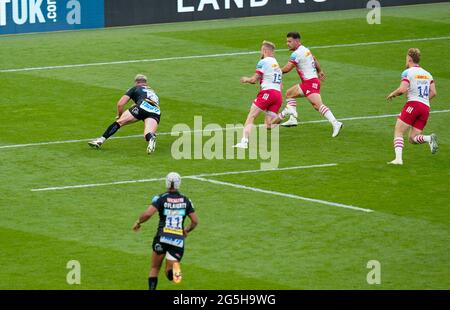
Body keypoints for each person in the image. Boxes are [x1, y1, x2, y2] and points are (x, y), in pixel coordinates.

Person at [132, 172, 198, 290]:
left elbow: (147, 214)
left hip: (162, 237)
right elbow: (195, 221)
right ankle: (175, 271)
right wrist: (186, 230)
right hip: (177, 240)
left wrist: (138, 222)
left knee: (154, 268)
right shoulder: (186, 200)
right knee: (170, 274)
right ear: (179, 184)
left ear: (167, 183)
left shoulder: (160, 198)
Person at [276, 32, 343, 137]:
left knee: (318, 105)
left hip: (310, 83)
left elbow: (287, 69)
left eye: (289, 41)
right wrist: (320, 70)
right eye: (287, 41)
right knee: (289, 93)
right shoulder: (305, 49)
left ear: (297, 41)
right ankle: (293, 119)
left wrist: (274, 71)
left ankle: (336, 123)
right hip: (308, 82)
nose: (287, 43)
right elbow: (314, 58)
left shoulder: (296, 54)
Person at [386, 48, 438, 165]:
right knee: (412, 138)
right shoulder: (428, 74)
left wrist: (392, 94)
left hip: (413, 105)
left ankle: (398, 159)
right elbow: (434, 92)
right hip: (425, 108)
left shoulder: (408, 72)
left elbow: (402, 89)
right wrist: (422, 100)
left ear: (409, 58)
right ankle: (428, 138)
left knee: (398, 130)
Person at [88, 74, 160, 154]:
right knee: (148, 133)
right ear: (146, 83)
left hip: (142, 106)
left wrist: (120, 115)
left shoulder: (135, 88)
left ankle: (99, 141)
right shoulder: (153, 92)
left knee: (119, 122)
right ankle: (151, 138)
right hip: (156, 111)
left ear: (136, 82)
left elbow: (120, 104)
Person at [234, 41, 283, 149]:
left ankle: (244, 142)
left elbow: (253, 80)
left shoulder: (263, 62)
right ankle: (284, 114)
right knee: (269, 125)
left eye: (261, 50)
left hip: (267, 93)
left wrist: (246, 79)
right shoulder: (277, 65)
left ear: (265, 50)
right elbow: (281, 84)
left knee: (251, 116)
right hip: (278, 95)